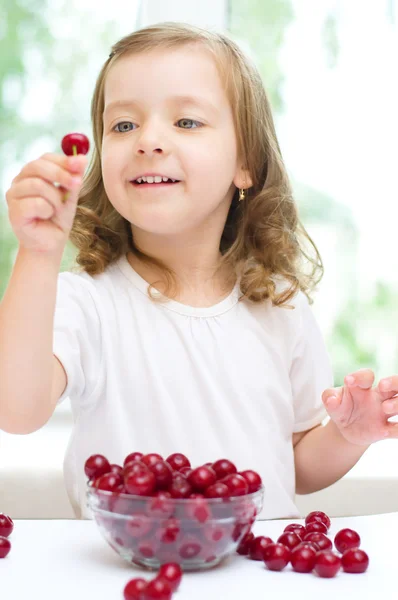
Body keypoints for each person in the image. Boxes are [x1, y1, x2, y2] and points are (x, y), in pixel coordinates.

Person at [1, 22, 397, 521]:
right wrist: (36, 254)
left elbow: (293, 466)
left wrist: (346, 434)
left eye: (186, 122)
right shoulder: (86, 302)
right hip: (127, 577)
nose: (147, 140)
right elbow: (16, 411)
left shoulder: (281, 305)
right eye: (123, 125)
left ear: (245, 165)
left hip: (254, 578)